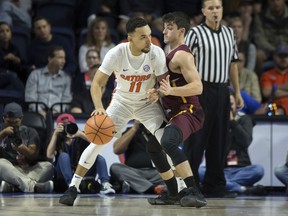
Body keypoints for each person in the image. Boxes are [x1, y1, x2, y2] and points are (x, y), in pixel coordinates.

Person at [59, 16, 173, 206]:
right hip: (122, 103)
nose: (149, 40)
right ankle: (73, 187)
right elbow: (97, 83)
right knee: (97, 142)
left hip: (147, 103)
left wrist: (159, 92)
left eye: (150, 35)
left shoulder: (156, 53)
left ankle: (182, 188)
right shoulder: (116, 53)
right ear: (130, 38)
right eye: (143, 37)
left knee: (167, 140)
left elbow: (164, 84)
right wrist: (99, 108)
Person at [146, 11, 206, 207]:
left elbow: (198, 87)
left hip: (189, 109)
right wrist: (159, 92)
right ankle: (173, 193)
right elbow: (168, 86)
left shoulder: (182, 55)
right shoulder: (167, 50)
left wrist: (171, 90)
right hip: (174, 111)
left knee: (169, 142)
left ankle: (194, 191)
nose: (164, 31)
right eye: (164, 26)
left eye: (169, 28)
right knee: (154, 147)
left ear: (181, 31)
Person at [184, 0, 244, 198]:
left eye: (218, 7)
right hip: (201, 90)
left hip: (222, 90)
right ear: (203, 11)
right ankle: (189, 187)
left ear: (222, 9)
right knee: (196, 141)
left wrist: (237, 92)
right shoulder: (194, 33)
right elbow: (183, 62)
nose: (215, 11)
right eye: (210, 8)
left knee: (219, 141)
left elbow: (233, 64)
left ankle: (215, 187)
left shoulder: (228, 33)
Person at [198, 92, 266, 195]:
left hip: (242, 169)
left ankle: (224, 185)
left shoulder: (244, 119)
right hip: (221, 170)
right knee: (200, 171)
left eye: (231, 104)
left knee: (259, 170)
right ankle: (242, 189)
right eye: (226, 105)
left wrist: (232, 122)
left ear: (236, 105)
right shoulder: (216, 122)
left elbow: (246, 141)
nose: (229, 107)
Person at [46, 113, 115, 194]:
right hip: (63, 177)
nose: (68, 128)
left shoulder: (81, 136)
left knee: (98, 157)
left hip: (82, 172)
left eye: (70, 125)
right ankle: (72, 186)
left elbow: (98, 143)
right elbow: (49, 155)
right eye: (64, 126)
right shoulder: (58, 139)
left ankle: (105, 184)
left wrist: (81, 134)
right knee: (63, 155)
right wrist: (55, 134)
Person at [0, 102, 54, 193]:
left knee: (48, 166)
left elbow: (33, 155)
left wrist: (22, 149)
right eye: (9, 122)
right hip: (7, 170)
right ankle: (33, 186)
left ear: (21, 119)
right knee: (1, 163)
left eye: (15, 122)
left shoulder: (30, 132)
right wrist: (3, 133)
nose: (12, 125)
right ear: (3, 118)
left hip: (27, 170)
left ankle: (13, 186)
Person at [110, 120, 166, 194]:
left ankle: (137, 186)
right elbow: (117, 150)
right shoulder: (131, 131)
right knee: (115, 167)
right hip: (134, 172)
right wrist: (134, 128)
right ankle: (152, 188)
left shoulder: (161, 133)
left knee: (173, 172)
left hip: (156, 173)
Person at [25, 45, 72, 119]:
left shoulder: (66, 78)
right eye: (60, 58)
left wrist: (55, 113)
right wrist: (40, 112)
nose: (64, 61)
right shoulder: (35, 75)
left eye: (64, 58)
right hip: (37, 114)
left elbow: (66, 100)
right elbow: (30, 98)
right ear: (50, 59)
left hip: (57, 114)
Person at [260, 43, 288, 115]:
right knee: (267, 108)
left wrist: (274, 87)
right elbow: (266, 93)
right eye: (280, 56)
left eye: (286, 56)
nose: (283, 59)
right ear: (274, 56)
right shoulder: (267, 75)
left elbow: (271, 92)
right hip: (274, 107)